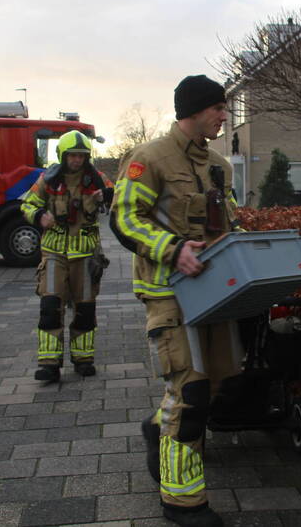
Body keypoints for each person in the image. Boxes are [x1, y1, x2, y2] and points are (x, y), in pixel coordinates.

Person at [110, 74, 241, 527]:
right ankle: (182, 503)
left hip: (213, 295)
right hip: (168, 294)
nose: (224, 116)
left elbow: (228, 223)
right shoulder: (149, 159)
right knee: (190, 394)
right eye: (218, 109)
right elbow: (124, 217)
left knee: (216, 384)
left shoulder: (218, 163)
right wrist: (173, 249)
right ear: (194, 110)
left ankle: (155, 428)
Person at [21, 130, 111, 382]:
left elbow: (119, 195)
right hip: (54, 254)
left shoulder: (97, 178)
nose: (76, 161)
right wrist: (40, 216)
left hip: (85, 255)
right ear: (62, 155)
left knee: (85, 309)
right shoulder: (47, 180)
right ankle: (49, 364)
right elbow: (27, 204)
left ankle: (83, 359)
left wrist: (108, 196)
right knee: (50, 307)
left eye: (81, 156)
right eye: (72, 156)